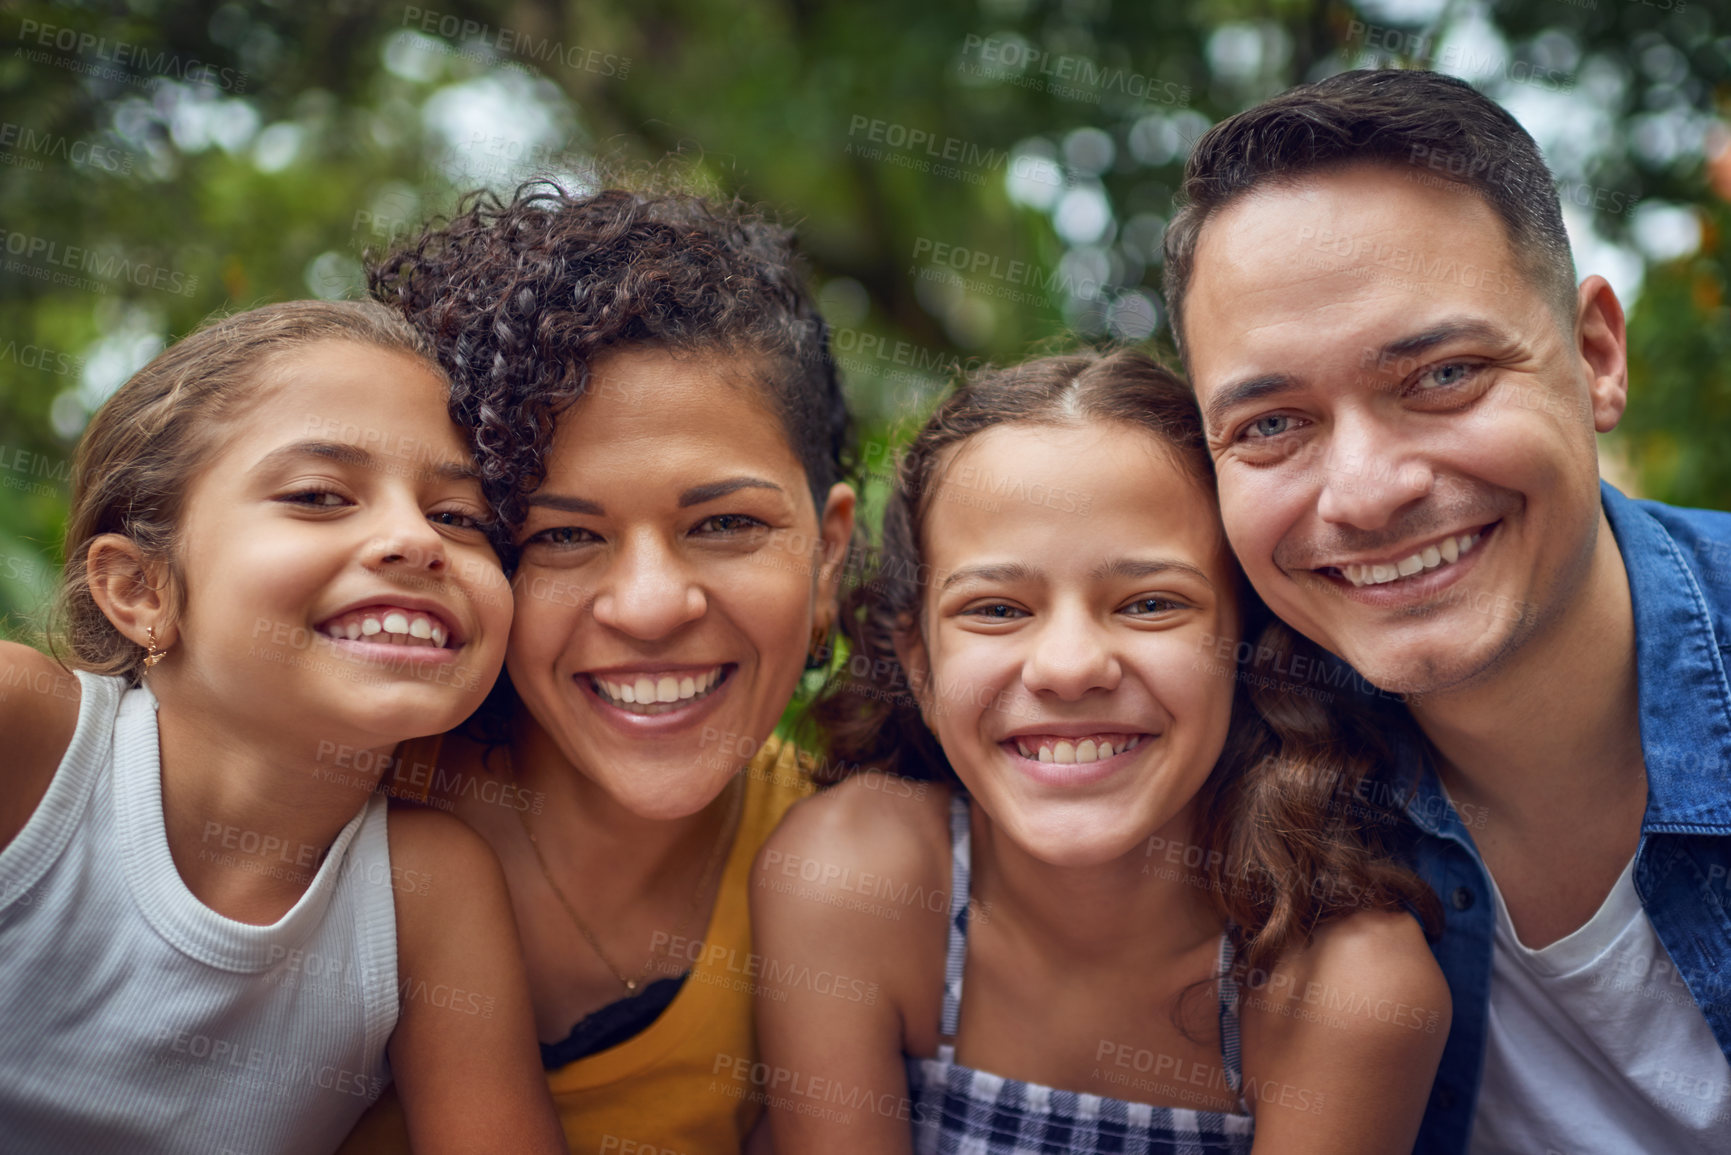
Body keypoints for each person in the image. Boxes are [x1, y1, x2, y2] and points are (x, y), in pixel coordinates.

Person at [1163, 67, 1731, 1154]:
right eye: (1273, 426)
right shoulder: (1197, 756)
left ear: (1596, 356)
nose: (1369, 492)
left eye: (1444, 375)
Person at [752, 349, 1451, 1154]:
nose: (1070, 666)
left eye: (1151, 602)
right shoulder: (848, 880)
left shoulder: (1345, 991)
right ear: (918, 663)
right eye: (995, 608)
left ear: (1247, 644)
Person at [336, 183, 857, 1155]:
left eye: (727, 524)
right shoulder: (328, 800)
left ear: (829, 557)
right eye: (564, 536)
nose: (652, 606)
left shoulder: (863, 884)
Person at [0, 300, 564, 1154]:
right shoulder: (26, 735)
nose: (416, 540)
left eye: (460, 517)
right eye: (318, 496)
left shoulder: (430, 892)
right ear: (142, 590)